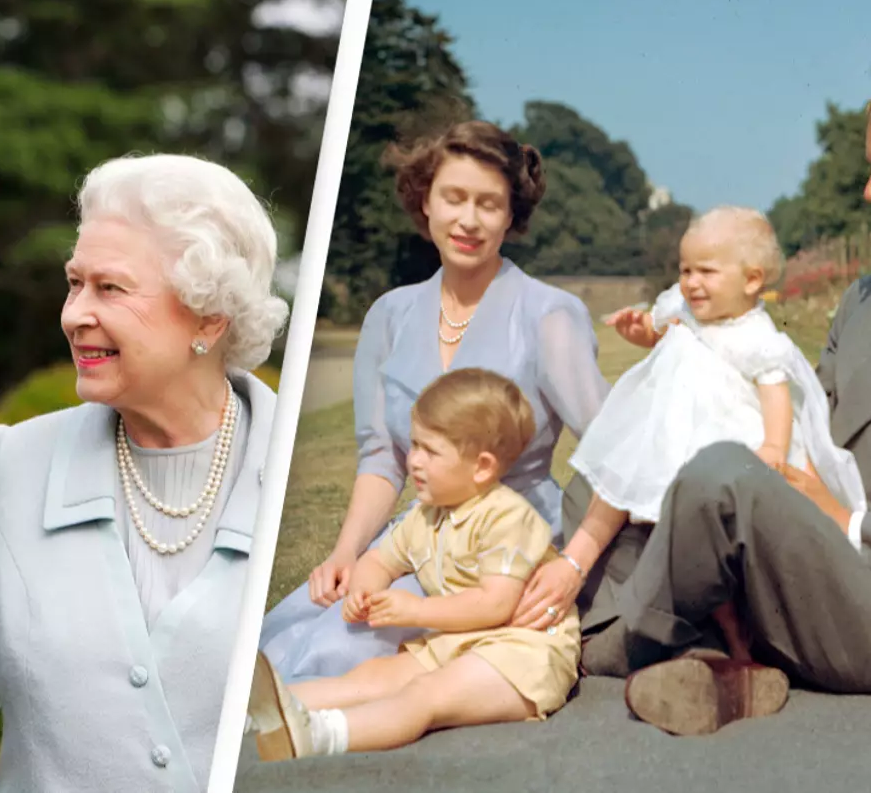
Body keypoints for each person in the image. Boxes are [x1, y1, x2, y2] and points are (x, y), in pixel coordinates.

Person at [573, 70, 871, 737]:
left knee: (717, 476)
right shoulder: (865, 297)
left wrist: (846, 523)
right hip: (798, 554)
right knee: (607, 472)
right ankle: (708, 656)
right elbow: (800, 419)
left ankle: (609, 643)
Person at [0, 154, 289, 791]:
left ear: (210, 317)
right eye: (73, 283)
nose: (74, 314)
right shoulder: (16, 465)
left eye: (110, 288)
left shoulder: (296, 467)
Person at [259, 120, 609, 682]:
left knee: (342, 653)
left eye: (489, 204)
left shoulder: (550, 314)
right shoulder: (389, 316)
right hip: (417, 538)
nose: (469, 220)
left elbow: (616, 452)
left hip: (510, 545)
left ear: (511, 216)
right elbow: (381, 458)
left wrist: (575, 565)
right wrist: (346, 553)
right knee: (295, 632)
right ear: (425, 201)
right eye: (454, 197)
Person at [564, 206, 865, 685]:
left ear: (751, 281)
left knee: (719, 552)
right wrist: (642, 332)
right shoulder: (682, 310)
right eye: (685, 270)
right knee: (672, 539)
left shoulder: (757, 337)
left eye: (706, 271)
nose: (690, 282)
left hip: (727, 439)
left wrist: (773, 445)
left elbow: (776, 394)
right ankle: (701, 635)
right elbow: (659, 328)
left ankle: (740, 644)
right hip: (672, 435)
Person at [247, 368, 582, 759]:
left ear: (482, 467)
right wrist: (364, 590)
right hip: (460, 642)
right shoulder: (426, 515)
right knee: (373, 676)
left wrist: (416, 609)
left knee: (424, 695)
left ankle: (323, 735)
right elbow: (380, 560)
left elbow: (496, 604)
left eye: (430, 450)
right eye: (414, 445)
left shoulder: (506, 518)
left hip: (524, 652)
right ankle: (264, 709)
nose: (413, 461)